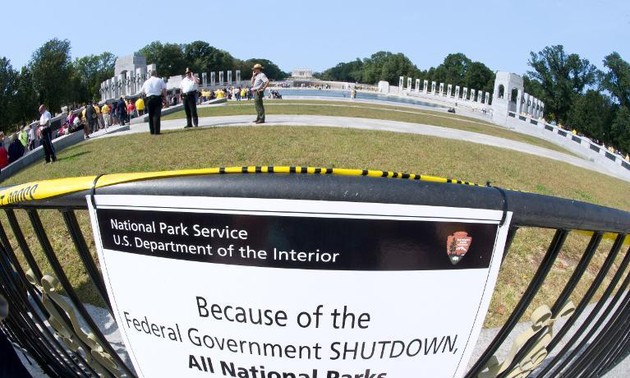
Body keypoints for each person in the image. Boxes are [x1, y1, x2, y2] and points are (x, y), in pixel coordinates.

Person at [140, 70, 167, 135]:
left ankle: (152, 131)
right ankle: (156, 131)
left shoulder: (146, 82)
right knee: (156, 115)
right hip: (157, 98)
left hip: (149, 99)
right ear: (156, 74)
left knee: (150, 115)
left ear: (150, 75)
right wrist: (165, 98)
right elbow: (164, 90)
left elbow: (142, 92)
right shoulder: (160, 80)